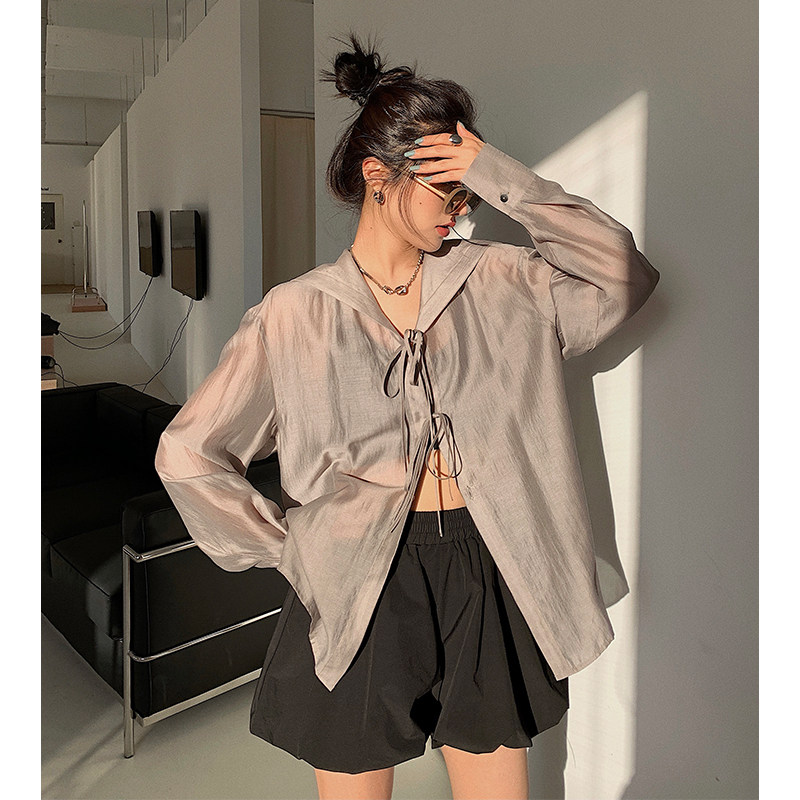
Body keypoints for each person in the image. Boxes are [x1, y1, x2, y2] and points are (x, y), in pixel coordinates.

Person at [154, 31, 660, 800]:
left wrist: (494, 173)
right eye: (446, 190)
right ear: (377, 177)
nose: (461, 210)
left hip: (489, 560)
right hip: (361, 574)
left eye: (467, 192)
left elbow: (623, 275)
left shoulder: (504, 281)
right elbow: (189, 452)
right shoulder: (295, 315)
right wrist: (288, 548)